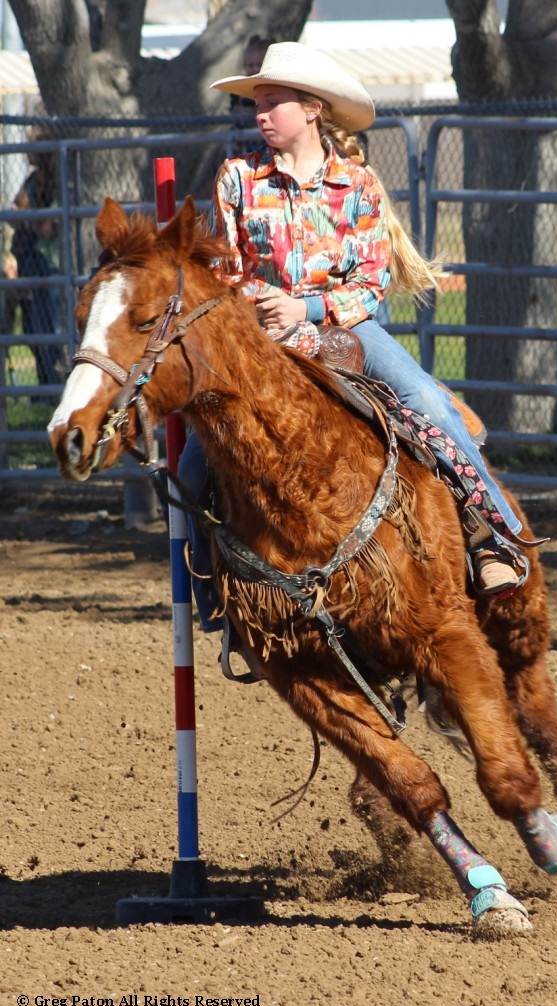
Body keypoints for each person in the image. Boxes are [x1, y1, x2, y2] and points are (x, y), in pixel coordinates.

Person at [180, 42, 530, 662]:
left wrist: (308, 309)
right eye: (256, 104)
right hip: (260, 337)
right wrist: (269, 305)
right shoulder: (239, 178)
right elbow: (227, 268)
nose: (260, 115)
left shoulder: (358, 184)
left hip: (348, 330)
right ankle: (214, 592)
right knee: (194, 462)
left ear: (313, 109)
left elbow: (371, 281)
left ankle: (492, 539)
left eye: (273, 102)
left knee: (427, 401)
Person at [191, 35, 275, 200]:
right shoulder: (241, 93)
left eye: (258, 65)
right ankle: (195, 199)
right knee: (217, 157)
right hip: (238, 141)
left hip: (260, 143)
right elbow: (236, 112)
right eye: (249, 65)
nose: (252, 69)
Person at [11, 143, 63, 390]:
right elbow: (15, 212)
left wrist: (28, 216)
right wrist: (28, 216)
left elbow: (48, 228)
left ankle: (57, 384)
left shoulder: (60, 180)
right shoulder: (33, 180)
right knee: (37, 328)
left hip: (54, 264)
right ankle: (46, 390)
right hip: (33, 261)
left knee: (54, 328)